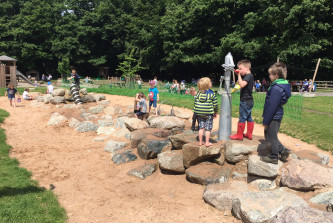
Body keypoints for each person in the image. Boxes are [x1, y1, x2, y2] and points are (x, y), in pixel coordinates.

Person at [260, 62, 291, 164]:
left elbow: (272, 106)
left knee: (272, 136)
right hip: (276, 114)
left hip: (274, 115)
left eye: (270, 74)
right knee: (269, 133)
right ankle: (283, 151)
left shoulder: (276, 88)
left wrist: (266, 120)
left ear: (276, 75)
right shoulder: (280, 86)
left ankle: (273, 156)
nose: (269, 76)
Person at [230, 59, 254, 141]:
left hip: (245, 101)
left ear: (247, 68)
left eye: (240, 68)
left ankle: (239, 135)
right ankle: (249, 134)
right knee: (249, 118)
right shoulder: (250, 76)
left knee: (242, 118)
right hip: (250, 101)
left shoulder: (248, 76)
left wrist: (239, 76)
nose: (239, 70)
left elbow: (242, 84)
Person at [194, 77, 218, 147]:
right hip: (208, 113)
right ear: (207, 85)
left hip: (199, 113)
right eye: (210, 82)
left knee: (201, 127)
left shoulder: (198, 93)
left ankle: (200, 142)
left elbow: (195, 102)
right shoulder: (212, 93)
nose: (211, 83)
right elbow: (215, 104)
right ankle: (207, 142)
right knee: (208, 128)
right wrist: (215, 112)